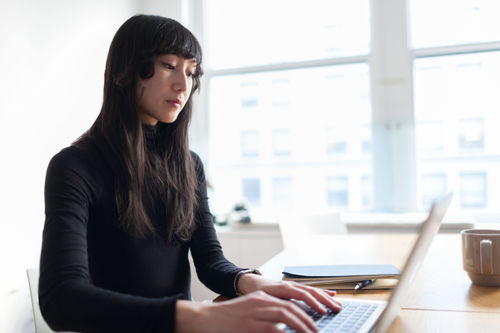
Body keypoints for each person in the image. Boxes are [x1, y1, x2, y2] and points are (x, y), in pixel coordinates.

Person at [38, 14, 341, 333]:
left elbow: (210, 264)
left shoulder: (189, 165)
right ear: (125, 72)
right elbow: (61, 301)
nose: (183, 84)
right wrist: (199, 315)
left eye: (191, 71)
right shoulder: (74, 166)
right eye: (168, 65)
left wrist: (256, 283)